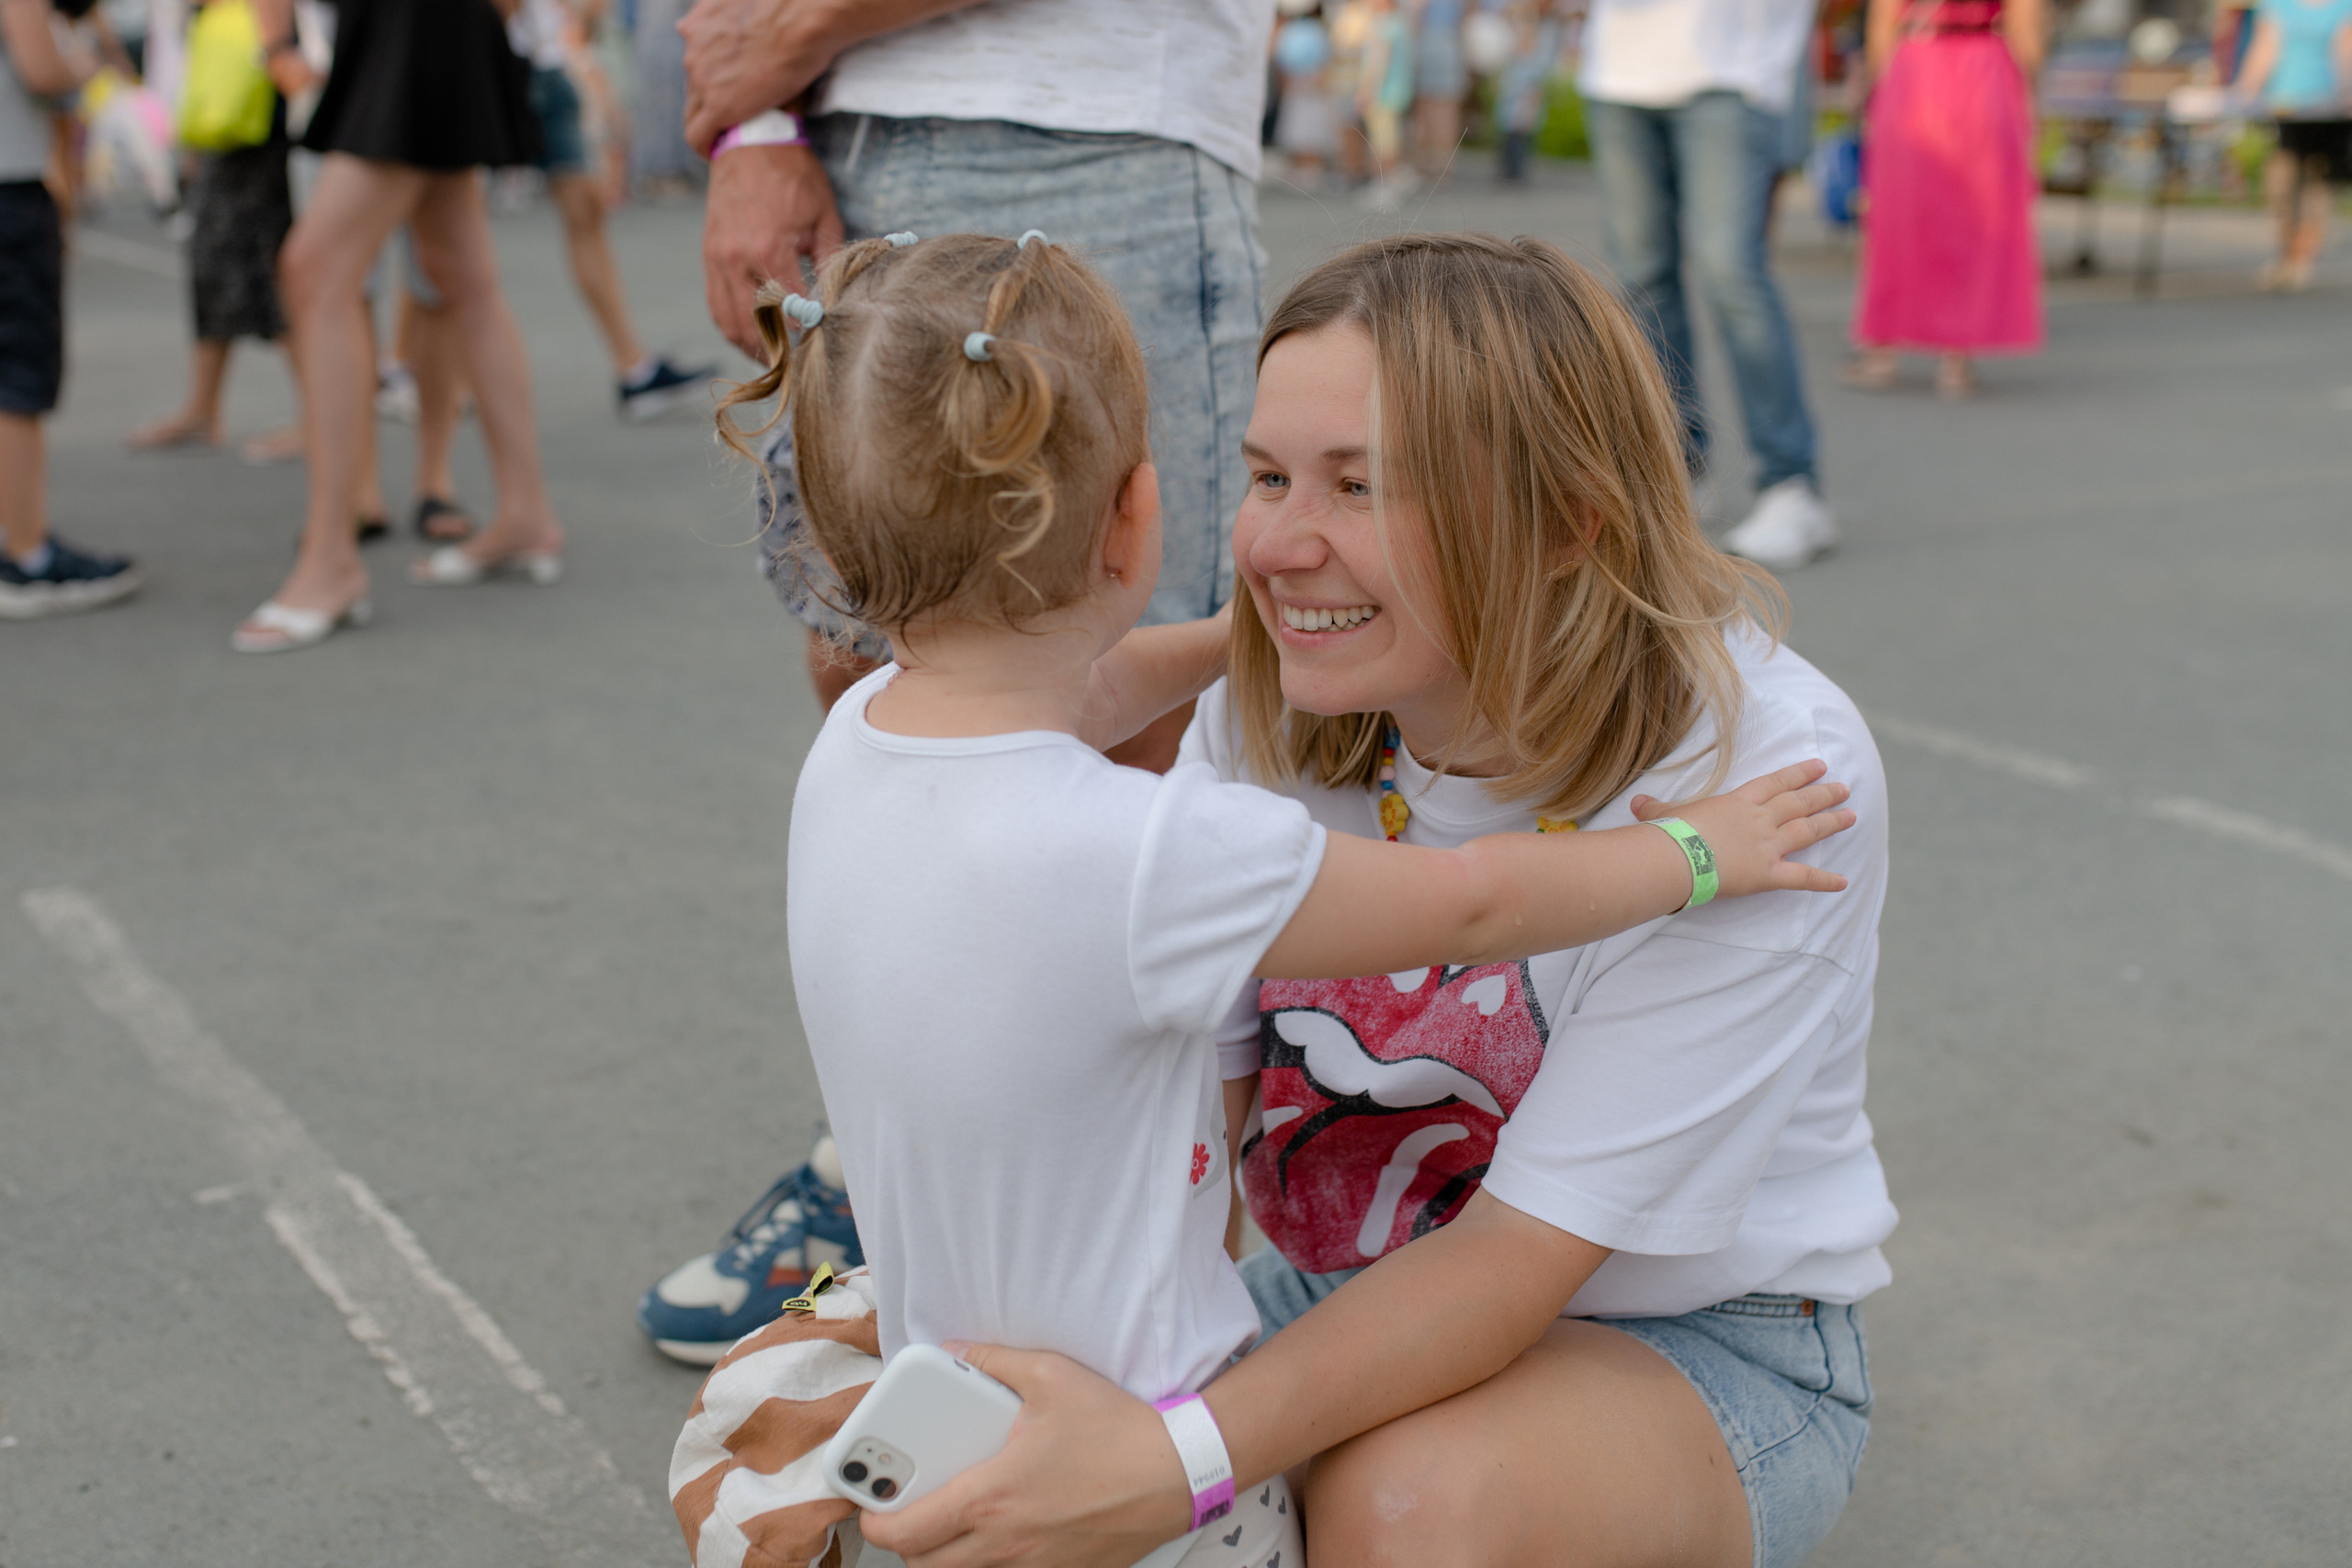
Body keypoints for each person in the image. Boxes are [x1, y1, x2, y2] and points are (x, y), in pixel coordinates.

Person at [715, 229, 1858, 1568]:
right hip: (1342, 1282)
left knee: (1404, 1505)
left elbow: (1507, 1257)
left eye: (1358, 485)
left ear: (1563, 519)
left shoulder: (1768, 774)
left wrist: (1170, 1457)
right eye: (1265, 476)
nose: (1272, 543)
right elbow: (1189, 1116)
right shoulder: (1259, 713)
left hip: (1684, 1339)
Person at [638, 0, 1283, 1360]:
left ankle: (1137, 1241)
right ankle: (910, 1179)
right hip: (840, 110)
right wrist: (757, 120)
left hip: (1090, 123)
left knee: (1112, 771)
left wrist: (800, 35)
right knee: (891, 687)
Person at [232, 0, 565, 653]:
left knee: (318, 270)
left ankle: (332, 558)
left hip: (413, 24)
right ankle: (524, 511)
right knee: (457, 270)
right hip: (414, 26)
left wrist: (276, 43)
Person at [1580, 0, 1840, 571]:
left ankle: (1792, 484)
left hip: (1733, 68)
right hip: (1619, 72)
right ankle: (1674, 476)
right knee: (1642, 284)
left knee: (1733, 275)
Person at [125, 0, 311, 468]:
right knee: (214, 262)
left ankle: (317, 414)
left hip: (256, 111)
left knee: (271, 266)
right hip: (229, 114)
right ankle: (202, 406)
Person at [2, 0, 141, 618]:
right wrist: (82, 66)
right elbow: (40, 68)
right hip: (9, 182)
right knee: (17, 376)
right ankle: (26, 553)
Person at [1845, 0, 2044, 398]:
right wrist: (2030, 99)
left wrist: (1873, 94)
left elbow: (1883, 24)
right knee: (1973, 216)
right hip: (1985, 72)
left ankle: (1883, 350)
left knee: (1899, 217)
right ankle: (1957, 358)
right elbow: (2028, 26)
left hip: (1916, 70)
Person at [2233, 0, 2352, 290]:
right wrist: (2244, 92)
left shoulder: (2343, 6)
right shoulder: (2277, 5)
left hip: (2329, 108)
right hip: (2285, 105)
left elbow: (2346, 53)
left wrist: (2346, 93)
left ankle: (2301, 258)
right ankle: (2286, 250)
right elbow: (2264, 49)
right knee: (2281, 182)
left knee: (2317, 186)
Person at [1355, 0, 1415, 206]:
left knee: (1382, 142)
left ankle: (1384, 184)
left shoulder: (1383, 25)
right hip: (1395, 92)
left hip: (1383, 94)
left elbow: (1378, 62)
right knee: (1388, 140)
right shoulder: (1398, 23)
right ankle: (1387, 183)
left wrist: (1366, 91)